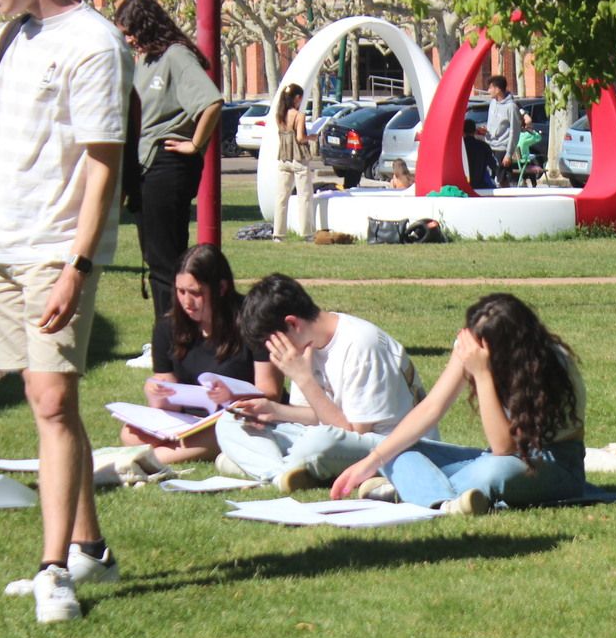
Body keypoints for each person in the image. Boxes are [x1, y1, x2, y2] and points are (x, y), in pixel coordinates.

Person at [0, 0, 133, 622]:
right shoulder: (4, 43)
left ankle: (53, 569)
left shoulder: (92, 44)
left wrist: (78, 268)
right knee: (48, 400)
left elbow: (102, 169)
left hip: (53, 252)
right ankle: (92, 548)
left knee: (53, 403)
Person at [332, 293, 586, 515]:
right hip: (495, 458)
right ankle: (441, 497)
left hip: (554, 464)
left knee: (492, 472)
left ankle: (423, 493)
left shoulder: (548, 364)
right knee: (394, 449)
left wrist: (483, 374)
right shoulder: (473, 345)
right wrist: (372, 460)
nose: (470, 350)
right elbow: (432, 407)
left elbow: (503, 448)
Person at [215, 273, 429, 492]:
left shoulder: (361, 345)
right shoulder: (306, 344)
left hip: (390, 446)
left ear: (292, 323)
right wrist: (274, 411)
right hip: (332, 435)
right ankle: (282, 475)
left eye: (275, 345)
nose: (274, 356)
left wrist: (304, 379)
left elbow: (352, 433)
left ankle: (264, 467)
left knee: (318, 442)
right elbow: (314, 415)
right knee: (229, 422)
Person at [113, 0, 223, 327]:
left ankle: (172, 337)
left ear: (147, 26)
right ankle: (173, 332)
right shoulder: (144, 61)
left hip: (168, 165)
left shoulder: (175, 55)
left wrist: (194, 145)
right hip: (146, 168)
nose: (129, 40)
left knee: (165, 260)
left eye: (131, 32)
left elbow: (212, 102)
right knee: (155, 257)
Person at [118, 244, 283, 464]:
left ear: (221, 288)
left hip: (239, 417)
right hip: (188, 419)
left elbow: (270, 392)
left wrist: (233, 396)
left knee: (225, 428)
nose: (186, 302)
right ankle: (164, 453)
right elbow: (167, 393)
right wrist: (157, 392)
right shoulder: (169, 326)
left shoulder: (253, 322)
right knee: (129, 433)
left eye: (196, 293)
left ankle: (152, 459)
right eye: (180, 291)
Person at [274, 83, 314, 240]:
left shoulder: (279, 115)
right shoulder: (299, 115)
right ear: (297, 98)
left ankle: (278, 233)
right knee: (304, 196)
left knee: (281, 197)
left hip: (284, 157)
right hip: (298, 158)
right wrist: (312, 137)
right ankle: (306, 232)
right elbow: (300, 138)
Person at [483, 75, 520, 186]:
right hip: (490, 146)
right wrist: (485, 130)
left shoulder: (511, 107)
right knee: (489, 178)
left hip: (502, 149)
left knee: (502, 180)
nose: (488, 91)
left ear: (498, 89)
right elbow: (491, 124)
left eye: (490, 88)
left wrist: (508, 154)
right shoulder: (492, 103)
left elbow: (515, 131)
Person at [463, 117, 497, 190]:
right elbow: (494, 166)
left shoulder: (459, 148)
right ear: (475, 131)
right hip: (480, 185)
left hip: (463, 184)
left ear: (462, 131)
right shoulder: (483, 146)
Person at [515, 108, 543, 185]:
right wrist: (531, 131)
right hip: (523, 163)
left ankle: (524, 181)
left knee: (529, 159)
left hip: (514, 162)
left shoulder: (515, 135)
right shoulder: (525, 136)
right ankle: (534, 183)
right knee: (531, 161)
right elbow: (538, 138)